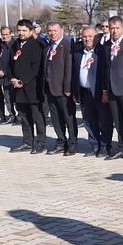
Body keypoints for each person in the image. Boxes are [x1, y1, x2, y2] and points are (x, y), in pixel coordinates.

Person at [99, 15, 123, 161]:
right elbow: (105, 69)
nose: (114, 31)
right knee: (118, 121)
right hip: (111, 88)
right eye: (112, 28)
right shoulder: (107, 45)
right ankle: (122, 147)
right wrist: (105, 89)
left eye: (117, 28)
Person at [8, 19, 47, 153]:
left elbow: (35, 68)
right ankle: (27, 142)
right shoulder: (15, 45)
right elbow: (9, 64)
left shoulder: (36, 45)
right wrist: (12, 78)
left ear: (31, 31)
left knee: (37, 116)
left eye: (24, 30)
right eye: (19, 30)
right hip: (18, 88)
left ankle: (41, 142)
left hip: (32, 88)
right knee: (24, 116)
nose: (21, 33)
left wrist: (22, 81)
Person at [73, 25, 111, 156]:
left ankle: (105, 146)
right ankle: (94, 144)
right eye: (84, 36)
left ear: (96, 37)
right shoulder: (79, 52)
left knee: (104, 120)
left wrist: (105, 91)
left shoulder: (102, 51)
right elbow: (75, 73)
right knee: (89, 120)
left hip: (100, 92)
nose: (87, 39)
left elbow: (106, 73)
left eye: (90, 36)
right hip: (84, 92)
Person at [42, 22, 77, 155]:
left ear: (62, 30)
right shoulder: (47, 48)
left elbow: (69, 69)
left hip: (64, 90)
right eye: (50, 31)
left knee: (68, 118)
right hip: (50, 89)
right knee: (56, 119)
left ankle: (72, 143)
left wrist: (68, 88)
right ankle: (61, 142)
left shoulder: (67, 46)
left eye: (55, 30)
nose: (52, 33)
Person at [0, 26, 18, 124]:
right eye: (3, 34)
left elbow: (14, 62)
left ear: (11, 34)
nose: (4, 36)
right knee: (7, 98)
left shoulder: (15, 45)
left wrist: (5, 72)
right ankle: (11, 115)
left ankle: (20, 116)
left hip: (13, 76)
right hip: (3, 78)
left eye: (6, 34)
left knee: (16, 98)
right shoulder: (1, 45)